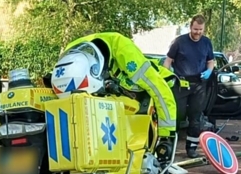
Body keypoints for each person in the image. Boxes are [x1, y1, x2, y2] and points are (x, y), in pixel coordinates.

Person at [51, 31, 180, 163]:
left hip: (150, 85)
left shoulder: (125, 53)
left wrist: (166, 137)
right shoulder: (71, 56)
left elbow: (158, 89)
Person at [163, 15, 216, 157]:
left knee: (196, 117)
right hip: (181, 84)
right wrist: (168, 75)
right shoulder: (179, 42)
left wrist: (209, 71)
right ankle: (168, 147)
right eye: (195, 29)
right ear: (190, 27)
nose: (198, 32)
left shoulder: (206, 43)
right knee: (176, 115)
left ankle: (191, 148)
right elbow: (168, 61)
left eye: (200, 30)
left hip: (199, 84)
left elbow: (211, 61)